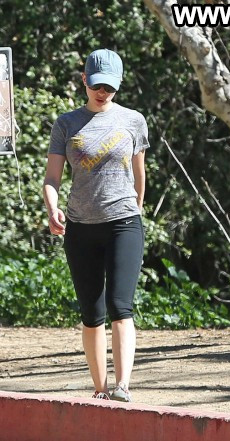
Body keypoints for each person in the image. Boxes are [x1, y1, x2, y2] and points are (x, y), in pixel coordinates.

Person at [43, 49, 149, 402]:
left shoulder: (133, 120)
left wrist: (135, 209)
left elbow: (139, 173)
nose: (103, 93)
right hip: (80, 227)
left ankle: (123, 385)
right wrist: (53, 209)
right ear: (84, 80)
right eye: (97, 85)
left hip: (123, 223)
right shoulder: (66, 124)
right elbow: (52, 178)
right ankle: (101, 390)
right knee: (92, 312)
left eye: (110, 87)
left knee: (121, 306)